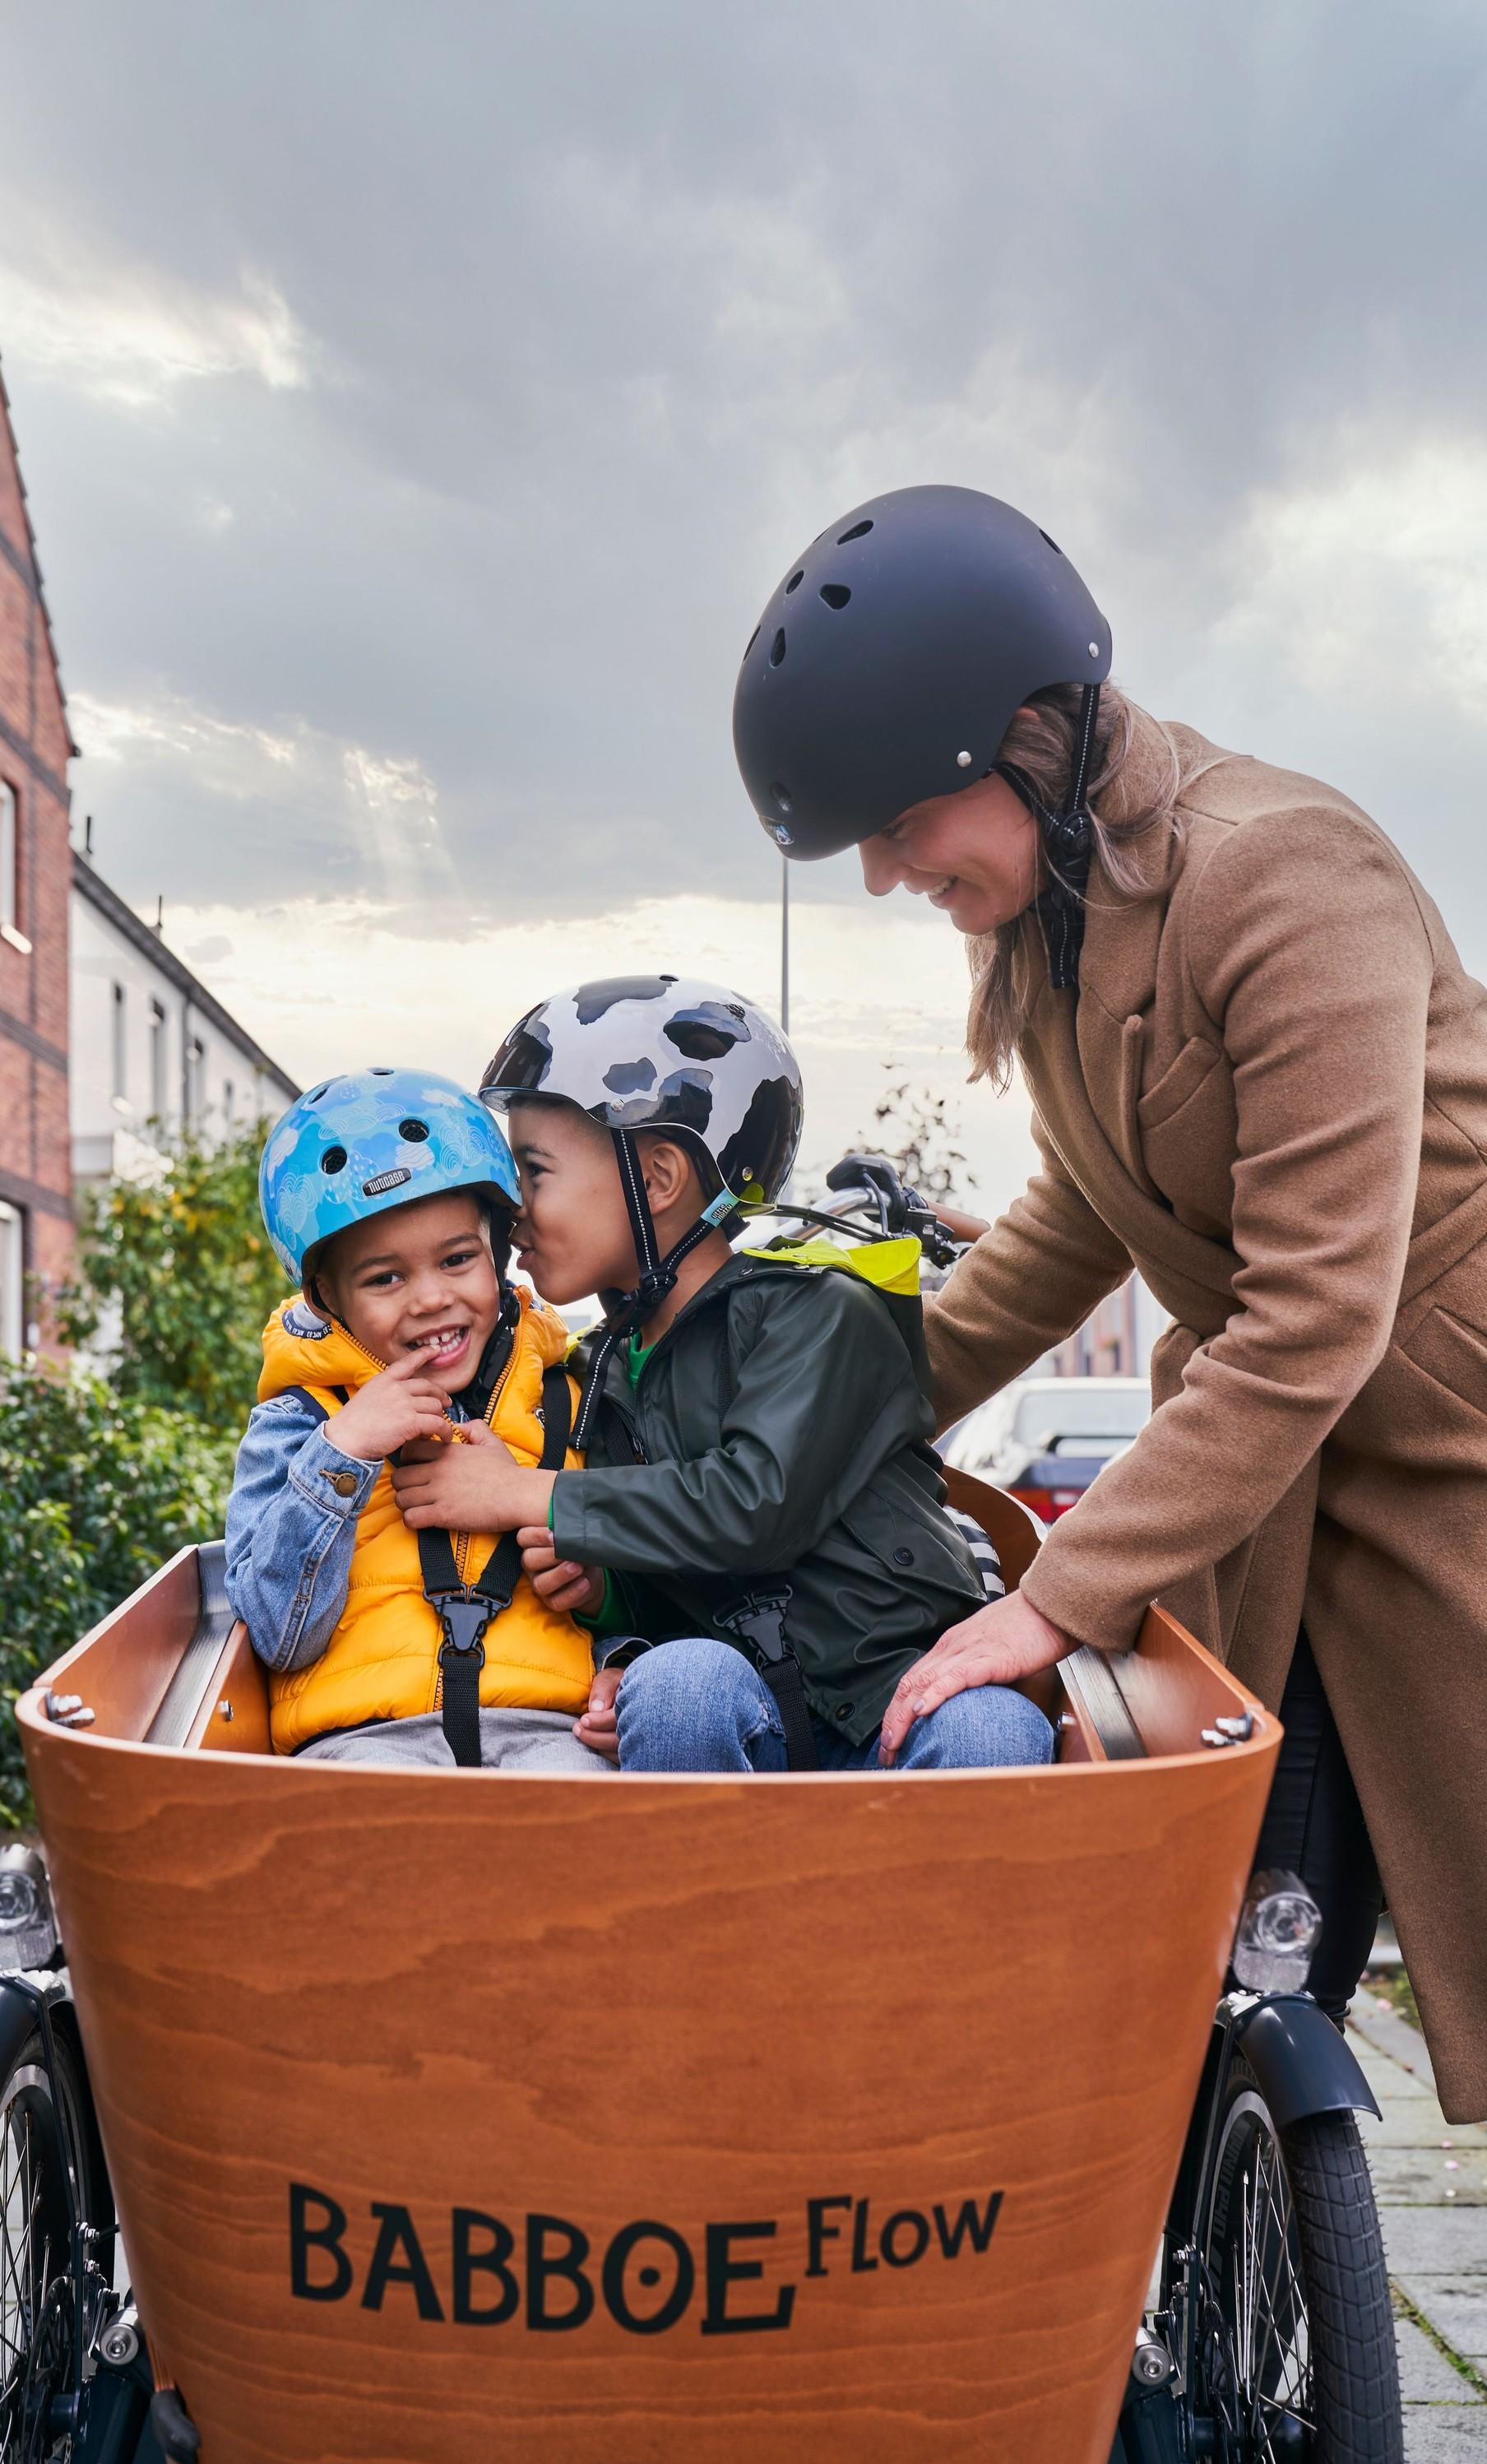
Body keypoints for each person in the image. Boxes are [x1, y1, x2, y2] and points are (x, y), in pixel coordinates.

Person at [731, 480, 1487, 2122]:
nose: (877, 873)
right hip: (1262, 1490)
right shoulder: (1057, 921)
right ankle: (1246, 2349)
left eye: (889, 819)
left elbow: (1310, 1314)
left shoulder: (1288, 880)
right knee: (1233, 1964)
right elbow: (1084, 1209)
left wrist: (1050, 1597)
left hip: (1440, 1454)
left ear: (1013, 744)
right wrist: (801, 1437)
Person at [391, 976, 1055, 1779]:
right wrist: (604, 1595)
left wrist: (519, 1494)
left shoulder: (818, 1310)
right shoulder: (593, 1368)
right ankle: (705, 1903)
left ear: (659, 1178)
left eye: (533, 1172)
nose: (511, 1211)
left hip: (901, 1694)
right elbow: (658, 1580)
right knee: (673, 1683)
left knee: (995, 1732)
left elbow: (755, 1506)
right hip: (742, 1714)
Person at [223, 1067, 609, 1774]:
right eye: (385, 1278)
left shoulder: (572, 1402)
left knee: (590, 1848)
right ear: (325, 1296)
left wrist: (599, 1593)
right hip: (362, 1747)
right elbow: (279, 1636)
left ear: (498, 1254)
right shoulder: (298, 1424)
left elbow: (639, 1599)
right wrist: (342, 1450)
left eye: (458, 1259)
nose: (431, 1298)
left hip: (550, 1738)